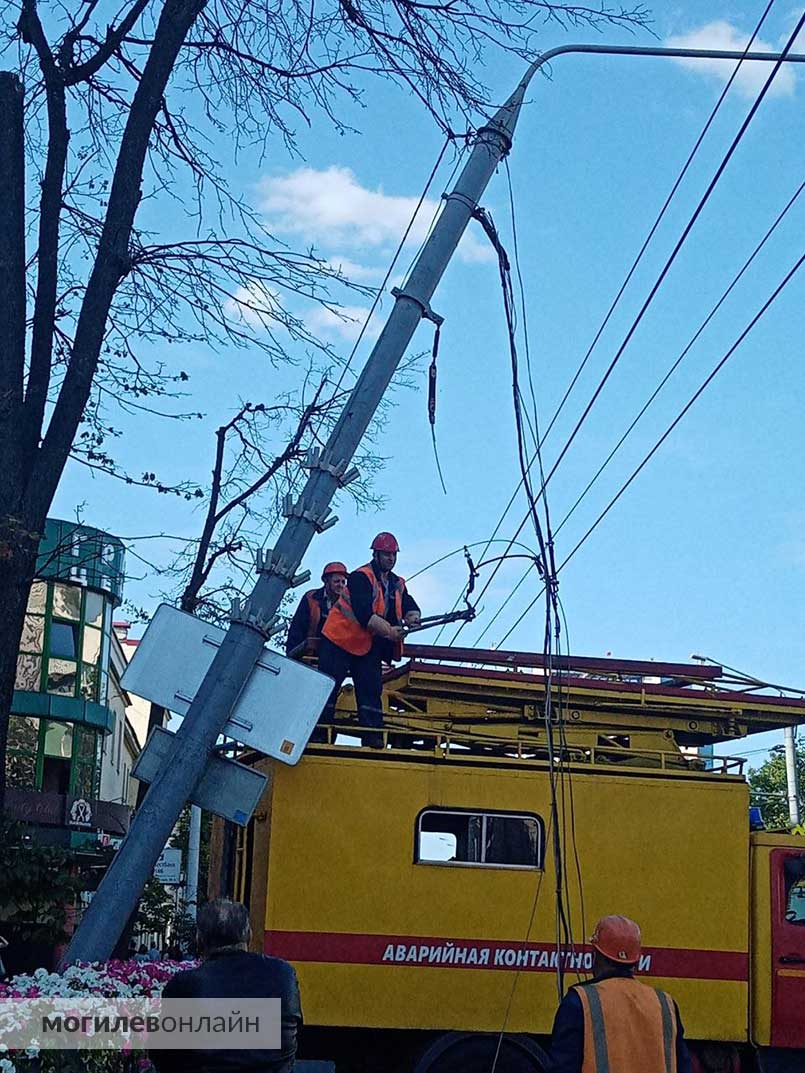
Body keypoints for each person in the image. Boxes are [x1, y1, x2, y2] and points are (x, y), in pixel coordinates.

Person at [150, 899, 301, 1073]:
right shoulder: (283, 975)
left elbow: (162, 1055)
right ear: (248, 935)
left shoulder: (184, 986)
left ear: (199, 940)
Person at [550, 915, 692, 1073]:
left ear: (595, 956)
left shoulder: (580, 1002)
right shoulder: (665, 1004)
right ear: (636, 961)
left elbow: (563, 1066)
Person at [319, 532, 420, 748]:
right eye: (386, 555)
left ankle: (372, 736)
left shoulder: (396, 583)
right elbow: (365, 614)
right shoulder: (361, 577)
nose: (391, 559)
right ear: (376, 555)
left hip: (365, 645)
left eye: (393, 555)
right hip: (339, 641)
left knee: (370, 690)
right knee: (327, 687)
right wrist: (390, 632)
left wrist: (413, 615)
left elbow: (407, 603)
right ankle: (318, 734)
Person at [285, 562, 348, 660]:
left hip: (335, 655)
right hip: (308, 653)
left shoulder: (347, 604)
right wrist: (292, 653)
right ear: (326, 581)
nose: (340, 585)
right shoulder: (311, 598)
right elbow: (298, 626)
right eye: (337, 581)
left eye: (343, 582)